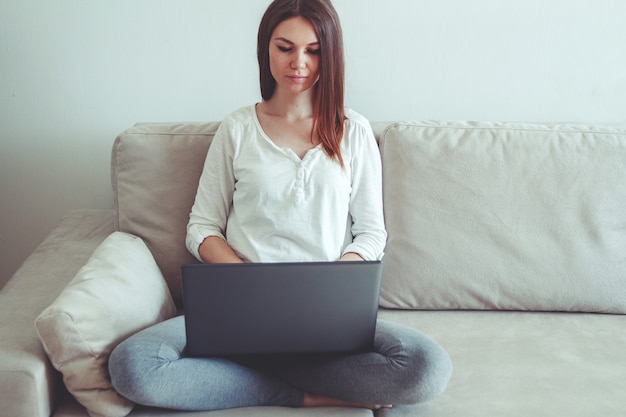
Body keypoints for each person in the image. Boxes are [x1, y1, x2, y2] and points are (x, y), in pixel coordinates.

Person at [109, 0, 452, 411]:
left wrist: (334, 287)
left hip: (326, 317)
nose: (298, 63)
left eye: (313, 50)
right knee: (134, 365)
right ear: (265, 49)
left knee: (426, 367)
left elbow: (371, 233)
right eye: (285, 47)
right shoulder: (237, 128)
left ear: (330, 53)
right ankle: (295, 392)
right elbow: (201, 229)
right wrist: (250, 283)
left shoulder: (353, 131)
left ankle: (249, 375)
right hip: (240, 310)